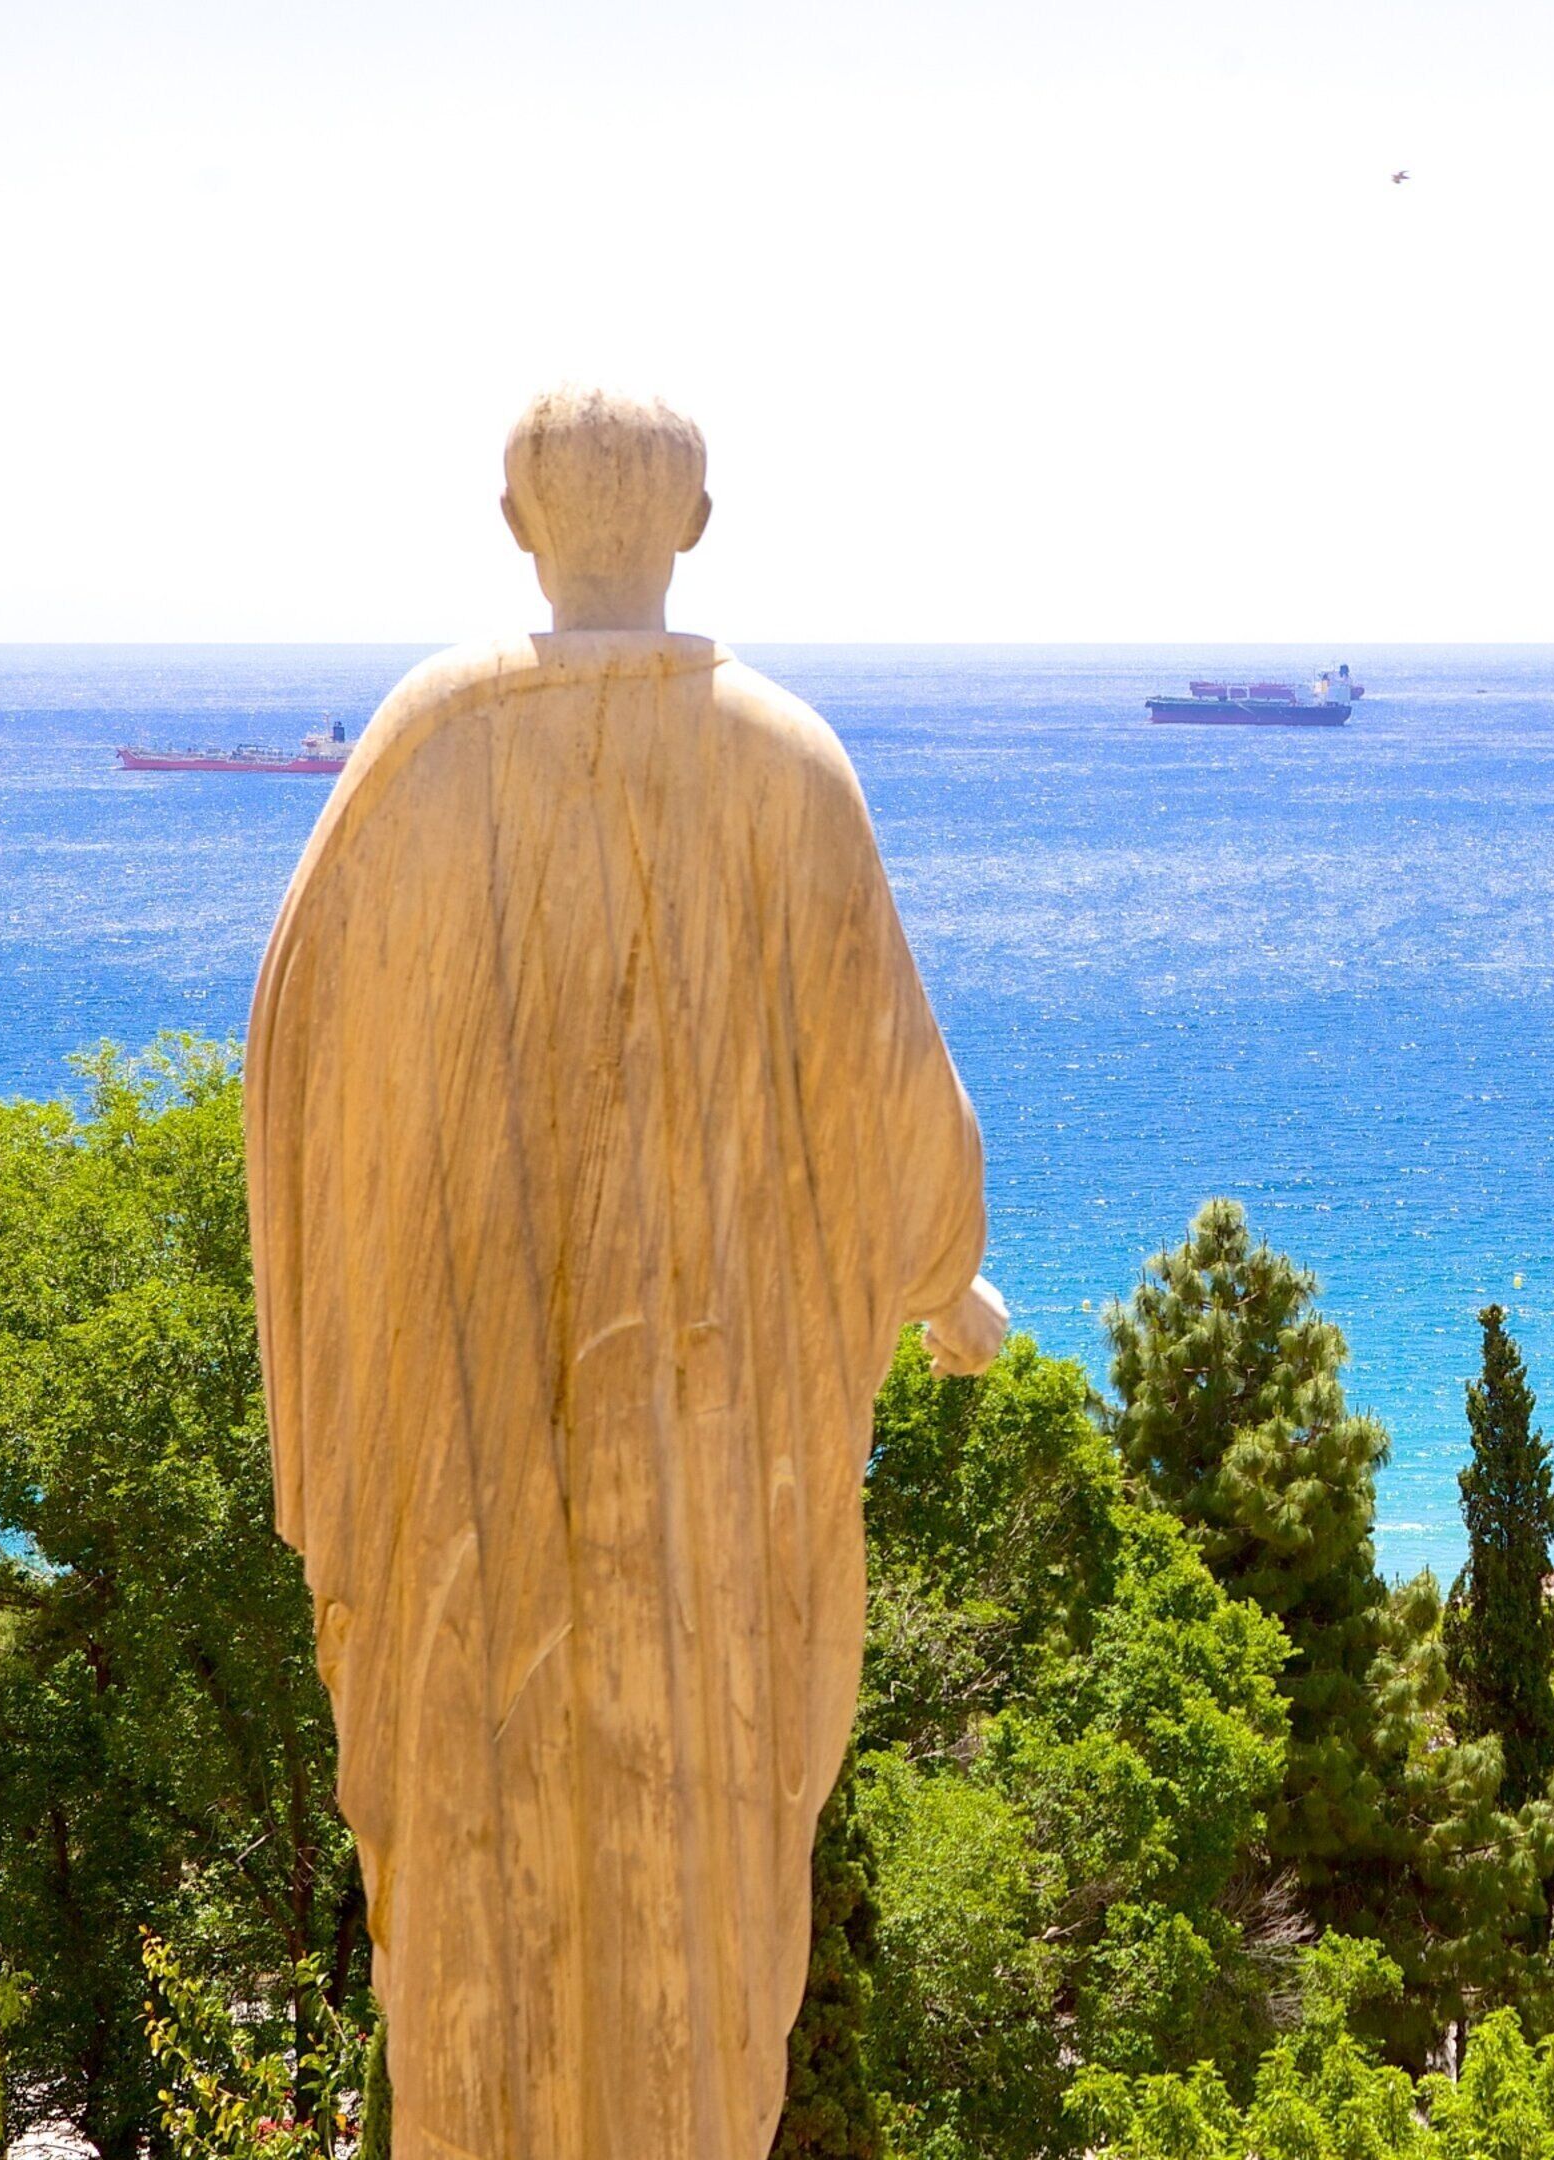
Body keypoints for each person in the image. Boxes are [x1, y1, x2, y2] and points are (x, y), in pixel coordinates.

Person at [247, 385, 1002, 2160]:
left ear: (518, 520)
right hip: (712, 1482)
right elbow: (891, 1093)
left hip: (468, 1477)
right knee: (700, 1897)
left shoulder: (424, 744)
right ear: (698, 521)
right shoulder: (786, 758)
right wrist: (932, 1275)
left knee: (480, 1907)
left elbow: (297, 1074)